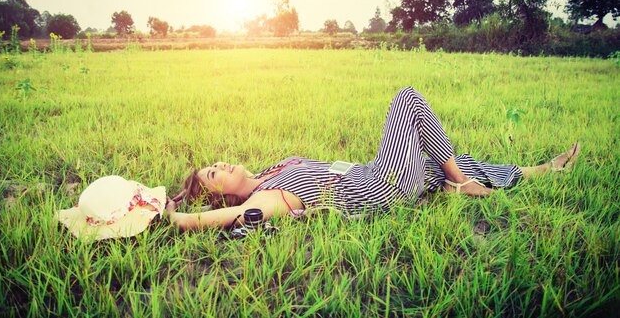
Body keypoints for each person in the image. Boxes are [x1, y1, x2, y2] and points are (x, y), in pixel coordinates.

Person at [165, 87, 580, 231]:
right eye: (214, 175)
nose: (221, 165)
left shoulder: (274, 169)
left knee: (444, 158)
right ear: (222, 196)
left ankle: (538, 171)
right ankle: (461, 183)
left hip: (376, 174)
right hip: (382, 188)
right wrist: (175, 217)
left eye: (215, 163)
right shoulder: (266, 198)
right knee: (407, 99)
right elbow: (220, 220)